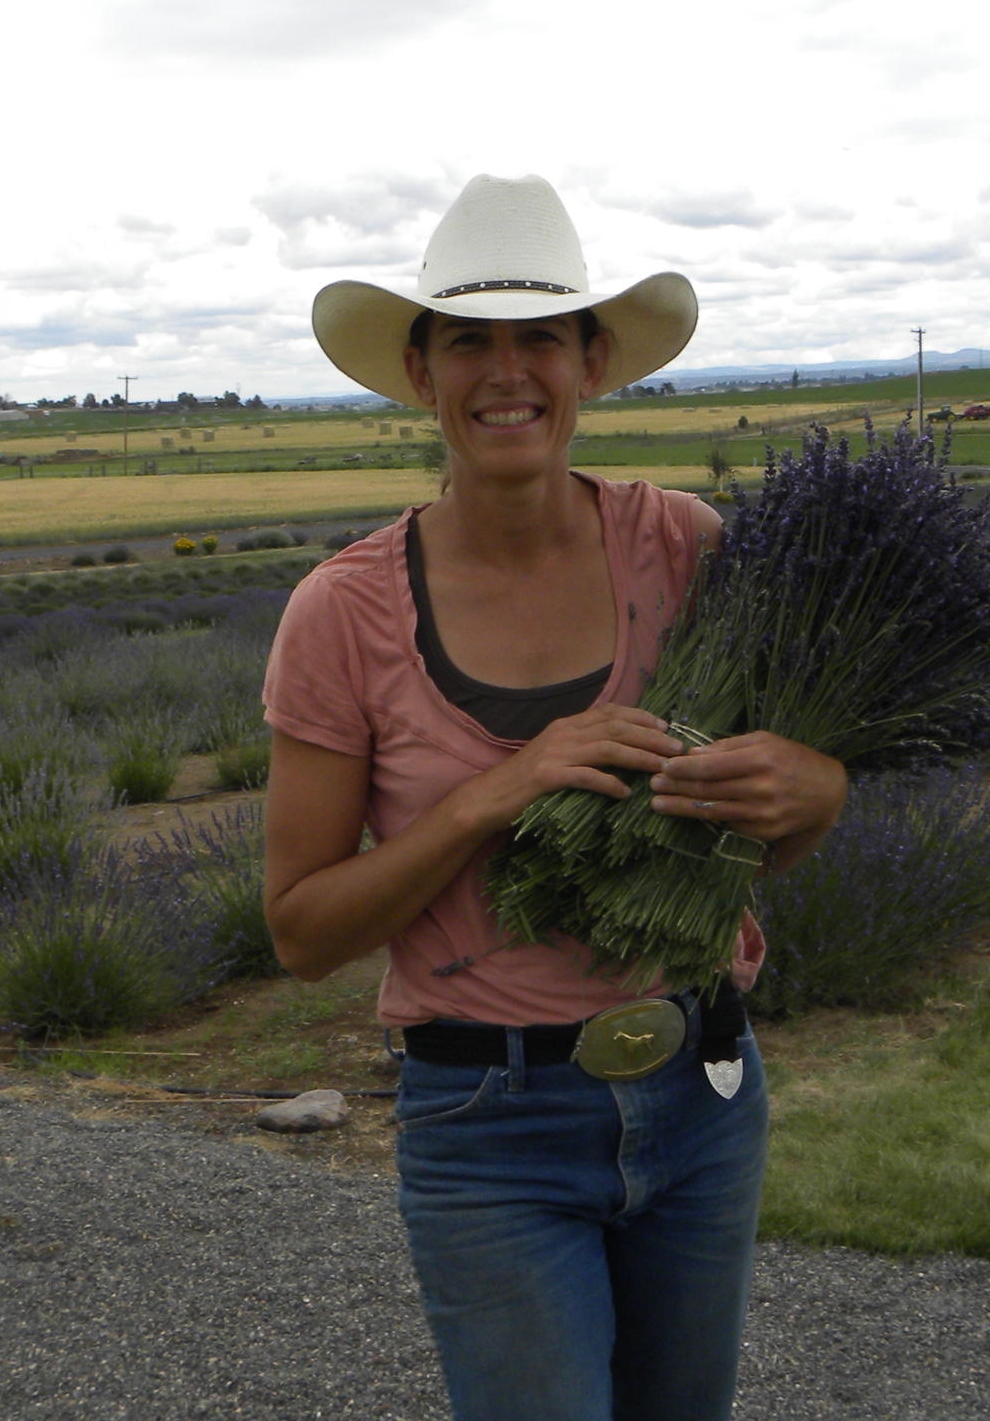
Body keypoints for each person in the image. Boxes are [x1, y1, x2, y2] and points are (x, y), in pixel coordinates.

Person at [261, 174, 846, 1421]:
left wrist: (817, 792)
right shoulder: (344, 612)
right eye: (468, 339)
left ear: (591, 362)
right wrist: (493, 794)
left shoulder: (689, 549)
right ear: (420, 373)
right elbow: (303, 930)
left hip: (703, 1089)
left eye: (540, 337)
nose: (505, 370)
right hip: (487, 1123)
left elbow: (750, 843)